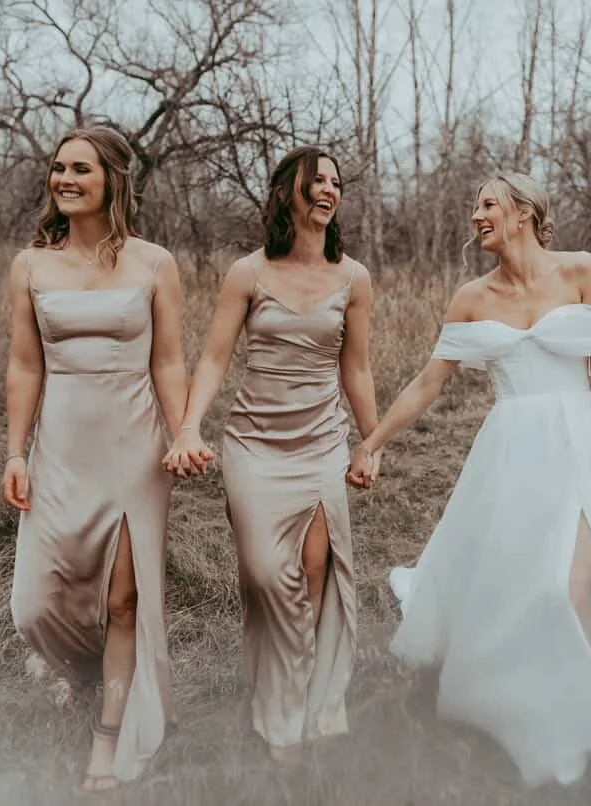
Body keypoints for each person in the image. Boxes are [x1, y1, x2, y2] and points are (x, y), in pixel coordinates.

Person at [347, 173, 591, 787]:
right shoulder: (471, 297)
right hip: (513, 453)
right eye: (474, 205)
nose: (475, 215)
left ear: (524, 211)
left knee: (578, 583)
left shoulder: (581, 271)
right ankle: (545, 715)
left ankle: (587, 717)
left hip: (584, 447)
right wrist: (373, 443)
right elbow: (429, 385)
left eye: (486, 203)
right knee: (528, 587)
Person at [162, 146, 380, 764]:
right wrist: (187, 428)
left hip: (320, 445)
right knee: (265, 575)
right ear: (288, 192)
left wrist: (372, 439)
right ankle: (278, 698)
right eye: (317, 181)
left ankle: (298, 716)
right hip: (254, 446)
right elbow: (212, 359)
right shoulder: (247, 273)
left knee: (313, 575)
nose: (328, 191)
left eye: (336, 183)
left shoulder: (353, 278)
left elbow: (356, 368)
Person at [1, 126, 189, 792]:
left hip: (134, 446)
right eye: (57, 168)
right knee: (34, 603)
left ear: (112, 178)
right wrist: (15, 453)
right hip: (60, 447)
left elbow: (168, 360)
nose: (64, 178)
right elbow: (25, 366)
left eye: (80, 167)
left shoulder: (154, 263)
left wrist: (185, 429)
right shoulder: (31, 265)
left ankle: (108, 739)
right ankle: (87, 678)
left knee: (124, 599)